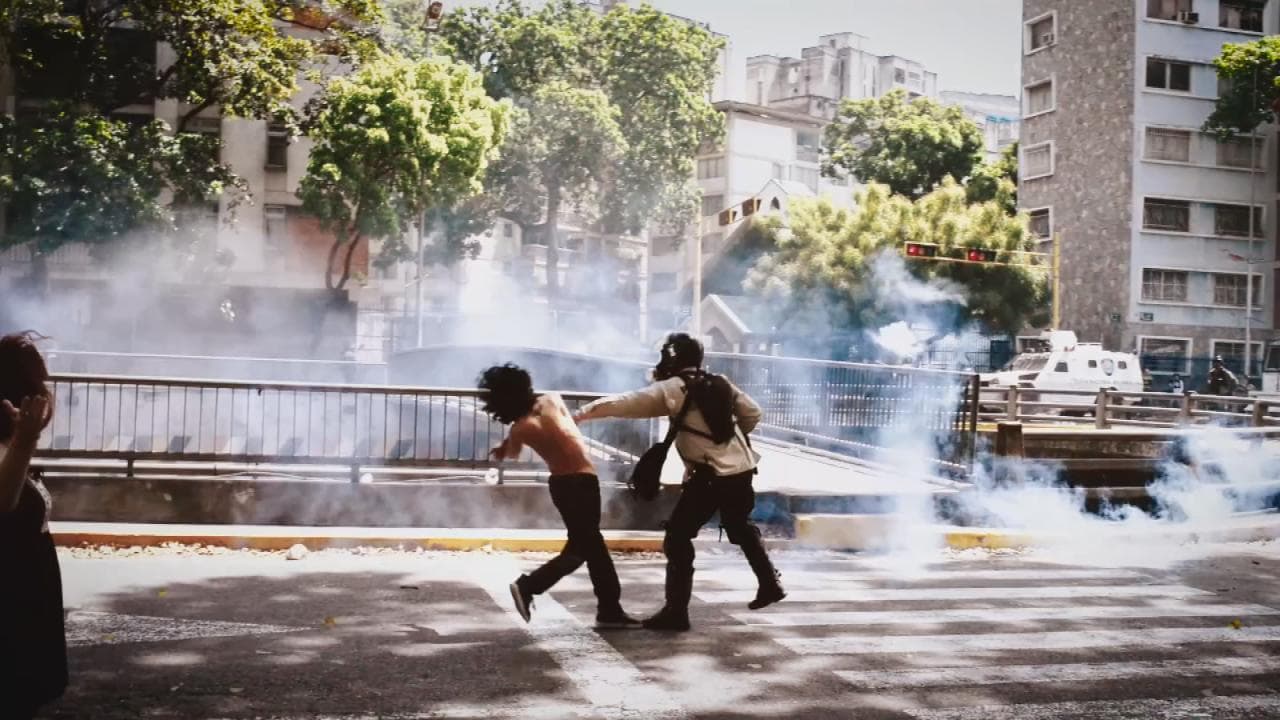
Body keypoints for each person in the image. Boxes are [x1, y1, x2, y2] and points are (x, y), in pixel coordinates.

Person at [575, 333, 785, 632]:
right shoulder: (721, 382)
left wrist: (583, 413)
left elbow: (628, 402)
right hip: (742, 471)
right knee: (739, 526)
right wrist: (728, 443)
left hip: (710, 478)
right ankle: (769, 583)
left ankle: (676, 612)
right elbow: (752, 413)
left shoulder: (674, 389)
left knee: (677, 537)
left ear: (671, 359)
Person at [478, 363, 640, 629]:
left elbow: (513, 452)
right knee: (586, 548)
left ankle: (608, 608)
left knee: (586, 547)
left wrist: (502, 447)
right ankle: (530, 586)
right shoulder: (551, 398)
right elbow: (570, 424)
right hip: (583, 482)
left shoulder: (519, 428)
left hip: (564, 486)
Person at [0, 332, 67, 719]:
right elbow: (1, 504)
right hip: (8, 612)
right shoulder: (6, 446)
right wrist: (25, 440)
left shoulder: (10, 443)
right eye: (39, 384)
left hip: (23, 606)